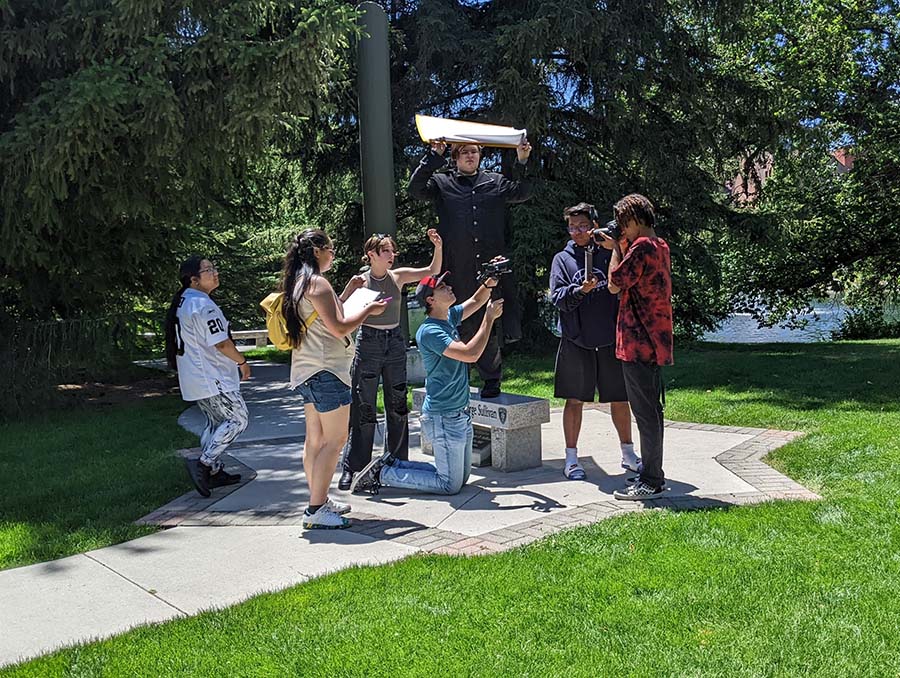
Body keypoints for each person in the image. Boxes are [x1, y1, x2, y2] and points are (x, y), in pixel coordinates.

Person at [350, 271, 503, 496]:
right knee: (449, 486)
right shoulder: (430, 331)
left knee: (462, 479)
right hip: (443, 417)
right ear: (431, 300)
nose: (449, 287)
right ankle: (382, 475)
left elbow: (477, 300)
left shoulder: (449, 316)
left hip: (460, 413)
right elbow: (470, 354)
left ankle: (391, 465)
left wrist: (490, 280)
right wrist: (488, 320)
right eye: (442, 287)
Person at [407, 137, 532, 398]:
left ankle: (491, 378)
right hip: (457, 268)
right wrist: (433, 156)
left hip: (489, 269)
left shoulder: (494, 182)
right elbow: (416, 189)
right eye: (464, 152)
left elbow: (523, 191)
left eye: (474, 152)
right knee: (458, 322)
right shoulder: (442, 183)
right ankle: (458, 377)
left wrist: (521, 160)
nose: (470, 156)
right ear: (455, 157)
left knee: (490, 319)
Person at [281, 230, 387, 528]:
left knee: (314, 441)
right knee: (335, 440)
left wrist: (348, 295)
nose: (333, 253)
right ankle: (316, 509)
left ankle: (319, 499)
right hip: (327, 372)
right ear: (317, 251)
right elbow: (339, 328)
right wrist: (368, 310)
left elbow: (323, 318)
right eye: (330, 248)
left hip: (307, 370)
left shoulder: (298, 283)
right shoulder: (317, 283)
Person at [338, 229, 444, 491]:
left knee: (397, 406)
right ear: (371, 254)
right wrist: (350, 289)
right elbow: (339, 311)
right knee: (364, 408)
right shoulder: (360, 281)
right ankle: (354, 468)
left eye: (392, 251)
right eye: (386, 251)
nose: (392, 255)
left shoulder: (397, 277)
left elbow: (432, 270)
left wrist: (438, 246)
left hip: (395, 342)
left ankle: (396, 463)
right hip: (369, 343)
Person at [550, 203, 640, 481]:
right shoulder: (562, 259)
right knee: (574, 400)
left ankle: (628, 454)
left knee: (620, 398)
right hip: (577, 340)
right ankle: (571, 459)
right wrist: (579, 290)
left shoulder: (611, 251)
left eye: (583, 226)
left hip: (612, 339)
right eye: (572, 227)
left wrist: (615, 248)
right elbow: (557, 298)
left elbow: (628, 282)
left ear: (594, 225)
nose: (578, 232)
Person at [597, 194, 674, 500]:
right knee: (652, 412)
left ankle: (651, 480)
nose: (622, 230)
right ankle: (653, 474)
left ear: (634, 219)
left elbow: (615, 282)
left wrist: (615, 246)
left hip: (638, 342)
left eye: (623, 223)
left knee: (645, 414)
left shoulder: (640, 247)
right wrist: (620, 244)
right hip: (655, 341)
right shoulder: (660, 245)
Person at [164, 255, 251, 497]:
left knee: (215, 422)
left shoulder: (185, 301)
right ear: (194, 280)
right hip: (212, 376)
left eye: (214, 267)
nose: (215, 272)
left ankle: (213, 471)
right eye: (208, 270)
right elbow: (222, 343)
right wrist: (242, 362)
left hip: (195, 376)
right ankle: (203, 464)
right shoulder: (203, 305)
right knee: (238, 420)